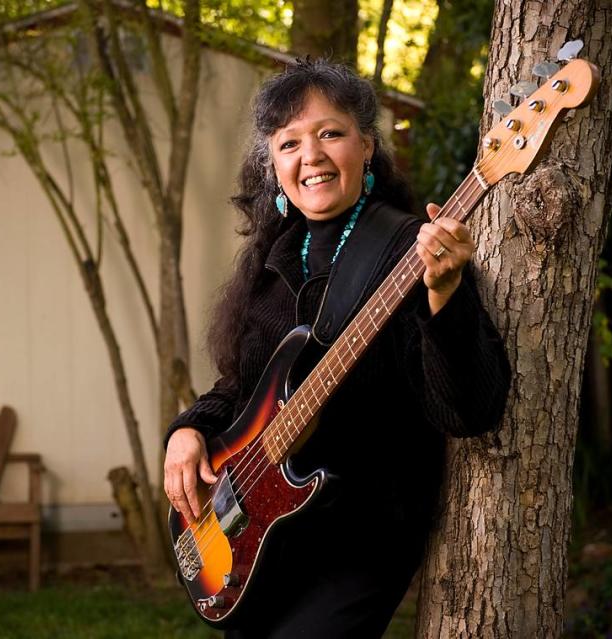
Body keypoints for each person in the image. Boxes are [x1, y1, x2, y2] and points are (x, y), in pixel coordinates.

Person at [163, 59, 511, 638]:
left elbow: (469, 411)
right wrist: (188, 430)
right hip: (263, 533)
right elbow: (241, 390)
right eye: (289, 143)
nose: (311, 156)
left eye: (330, 133)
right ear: (273, 165)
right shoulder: (273, 261)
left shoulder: (410, 249)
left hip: (361, 536)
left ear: (367, 145)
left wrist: (445, 294)